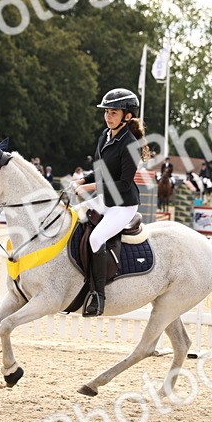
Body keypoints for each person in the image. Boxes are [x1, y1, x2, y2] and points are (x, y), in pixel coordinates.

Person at [75, 88, 151, 317]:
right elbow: (99, 172)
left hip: (123, 205)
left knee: (98, 237)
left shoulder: (130, 144)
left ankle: (98, 296)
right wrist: (81, 180)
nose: (108, 116)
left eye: (114, 112)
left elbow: (124, 183)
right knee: (71, 217)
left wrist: (89, 187)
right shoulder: (105, 136)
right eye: (107, 112)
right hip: (104, 200)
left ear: (127, 116)